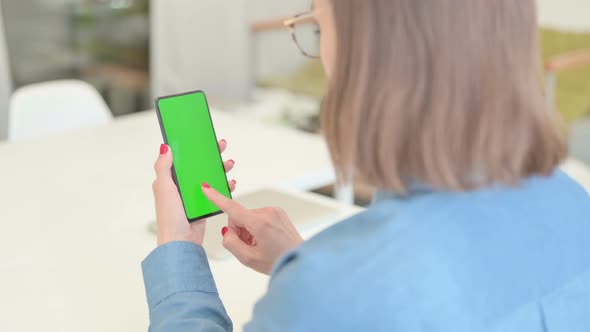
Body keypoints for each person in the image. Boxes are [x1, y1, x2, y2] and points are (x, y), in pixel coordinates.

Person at [143, 0, 590, 331]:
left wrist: (178, 253)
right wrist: (298, 261)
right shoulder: (574, 206)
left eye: (318, 29)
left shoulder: (326, 294)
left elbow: (357, 299)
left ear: (369, 54)